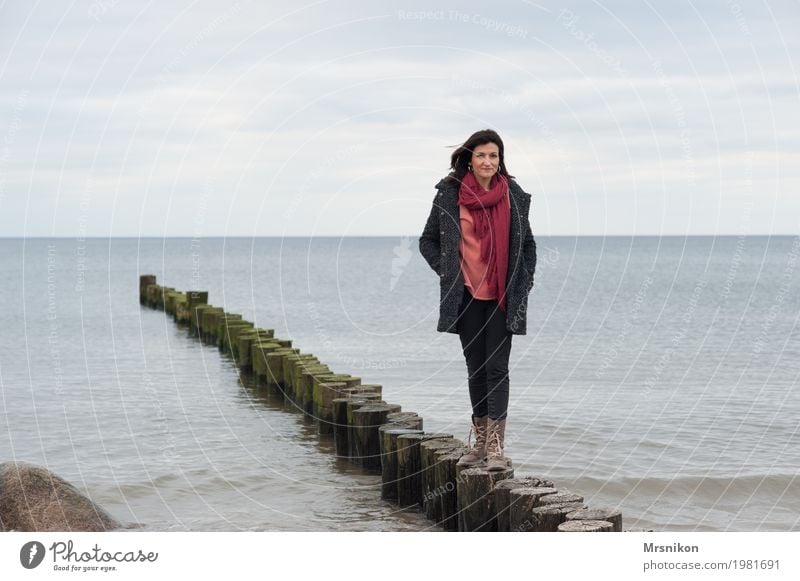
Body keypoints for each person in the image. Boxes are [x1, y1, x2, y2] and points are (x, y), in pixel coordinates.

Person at [419, 129, 537, 471]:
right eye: (482, 155)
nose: (488, 162)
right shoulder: (450, 194)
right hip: (467, 295)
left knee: (497, 369)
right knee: (477, 369)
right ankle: (481, 442)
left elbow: (527, 246)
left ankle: (497, 448)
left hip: (502, 295)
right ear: (469, 158)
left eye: (494, 156)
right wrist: (450, 272)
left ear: (501, 161)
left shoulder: (513, 196)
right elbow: (427, 241)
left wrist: (524, 282)